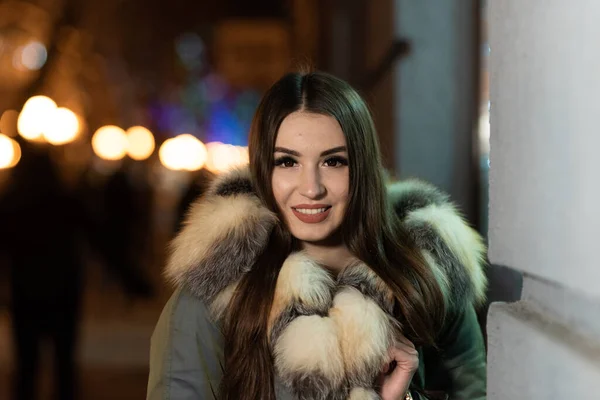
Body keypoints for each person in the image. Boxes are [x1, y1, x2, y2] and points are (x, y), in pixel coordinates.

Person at [147, 70, 487, 400]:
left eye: (334, 161)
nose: (311, 188)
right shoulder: (214, 298)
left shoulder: (429, 277)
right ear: (263, 168)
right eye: (287, 162)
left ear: (363, 168)